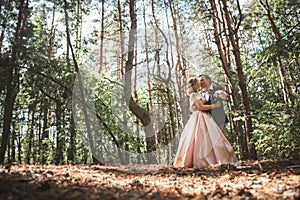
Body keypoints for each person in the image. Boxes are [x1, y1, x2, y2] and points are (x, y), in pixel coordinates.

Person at [173, 77, 239, 169]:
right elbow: (201, 107)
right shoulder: (195, 95)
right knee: (200, 138)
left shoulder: (203, 92)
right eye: (198, 82)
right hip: (200, 117)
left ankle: (217, 158)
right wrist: (214, 105)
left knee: (212, 138)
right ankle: (202, 160)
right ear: (195, 84)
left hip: (208, 117)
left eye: (202, 80)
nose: (200, 83)